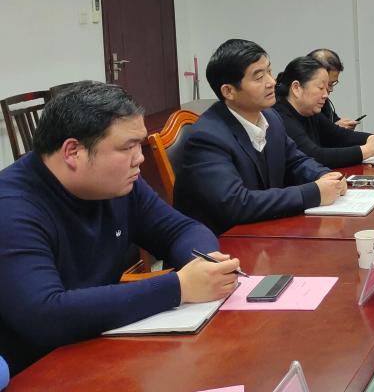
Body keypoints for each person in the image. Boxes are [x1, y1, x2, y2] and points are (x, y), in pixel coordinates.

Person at [0, 82, 239, 377]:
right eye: (128, 147)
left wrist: (204, 263)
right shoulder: (11, 208)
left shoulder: (119, 184)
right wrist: (179, 287)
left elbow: (180, 229)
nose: (140, 158)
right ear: (73, 152)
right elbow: (45, 315)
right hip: (36, 370)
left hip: (100, 345)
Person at [173, 39, 348, 235]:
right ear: (229, 91)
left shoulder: (271, 118)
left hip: (265, 230)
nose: (271, 82)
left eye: (269, 71)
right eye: (259, 77)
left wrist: (324, 176)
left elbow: (295, 161)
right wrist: (313, 193)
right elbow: (236, 204)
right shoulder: (207, 137)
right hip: (222, 242)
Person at [273, 56, 374, 168]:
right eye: (321, 88)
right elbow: (314, 156)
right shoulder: (280, 117)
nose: (326, 95)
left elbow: (339, 135)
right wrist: (367, 150)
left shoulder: (310, 111)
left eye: (327, 88)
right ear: (296, 88)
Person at [308, 48, 358, 128]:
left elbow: (333, 122)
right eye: (328, 84)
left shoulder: (324, 102)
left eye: (333, 84)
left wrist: (343, 127)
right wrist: (336, 129)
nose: (331, 90)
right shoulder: (305, 107)